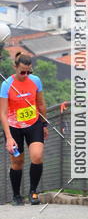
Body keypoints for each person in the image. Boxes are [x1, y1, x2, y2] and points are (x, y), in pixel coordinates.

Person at [1, 52, 48, 205]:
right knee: (17, 162)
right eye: (22, 72)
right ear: (15, 67)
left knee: (37, 156)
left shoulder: (35, 81)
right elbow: (2, 113)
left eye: (29, 72)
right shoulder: (6, 84)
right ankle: (16, 195)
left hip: (34, 124)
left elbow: (40, 103)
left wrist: (44, 124)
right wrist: (8, 137)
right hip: (14, 127)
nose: (26, 75)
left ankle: (33, 192)